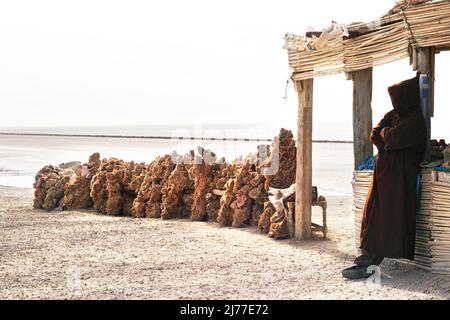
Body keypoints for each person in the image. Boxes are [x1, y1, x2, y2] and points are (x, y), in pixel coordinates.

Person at [343, 75, 427, 279]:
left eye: (399, 98)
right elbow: (375, 134)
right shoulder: (394, 115)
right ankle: (366, 260)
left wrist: (387, 137)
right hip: (385, 173)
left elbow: (393, 137)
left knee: (389, 217)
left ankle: (370, 263)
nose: (395, 103)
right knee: (373, 214)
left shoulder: (415, 120)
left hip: (400, 177)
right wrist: (388, 138)